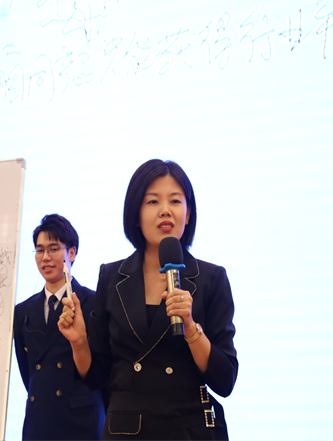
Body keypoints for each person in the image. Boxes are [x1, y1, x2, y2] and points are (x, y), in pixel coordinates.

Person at [59, 159, 238, 440]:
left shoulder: (211, 278)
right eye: (153, 201)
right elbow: (96, 377)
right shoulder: (112, 277)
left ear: (188, 214)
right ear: (136, 214)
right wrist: (79, 342)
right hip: (127, 430)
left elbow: (225, 380)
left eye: (175, 201)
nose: (165, 210)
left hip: (188, 429)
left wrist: (191, 328)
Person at [13, 214, 106, 440]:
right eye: (39, 250)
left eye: (53, 249)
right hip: (39, 421)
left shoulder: (95, 303)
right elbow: (29, 374)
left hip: (81, 423)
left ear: (71, 253)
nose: (45, 257)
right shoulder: (22, 311)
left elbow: (102, 372)